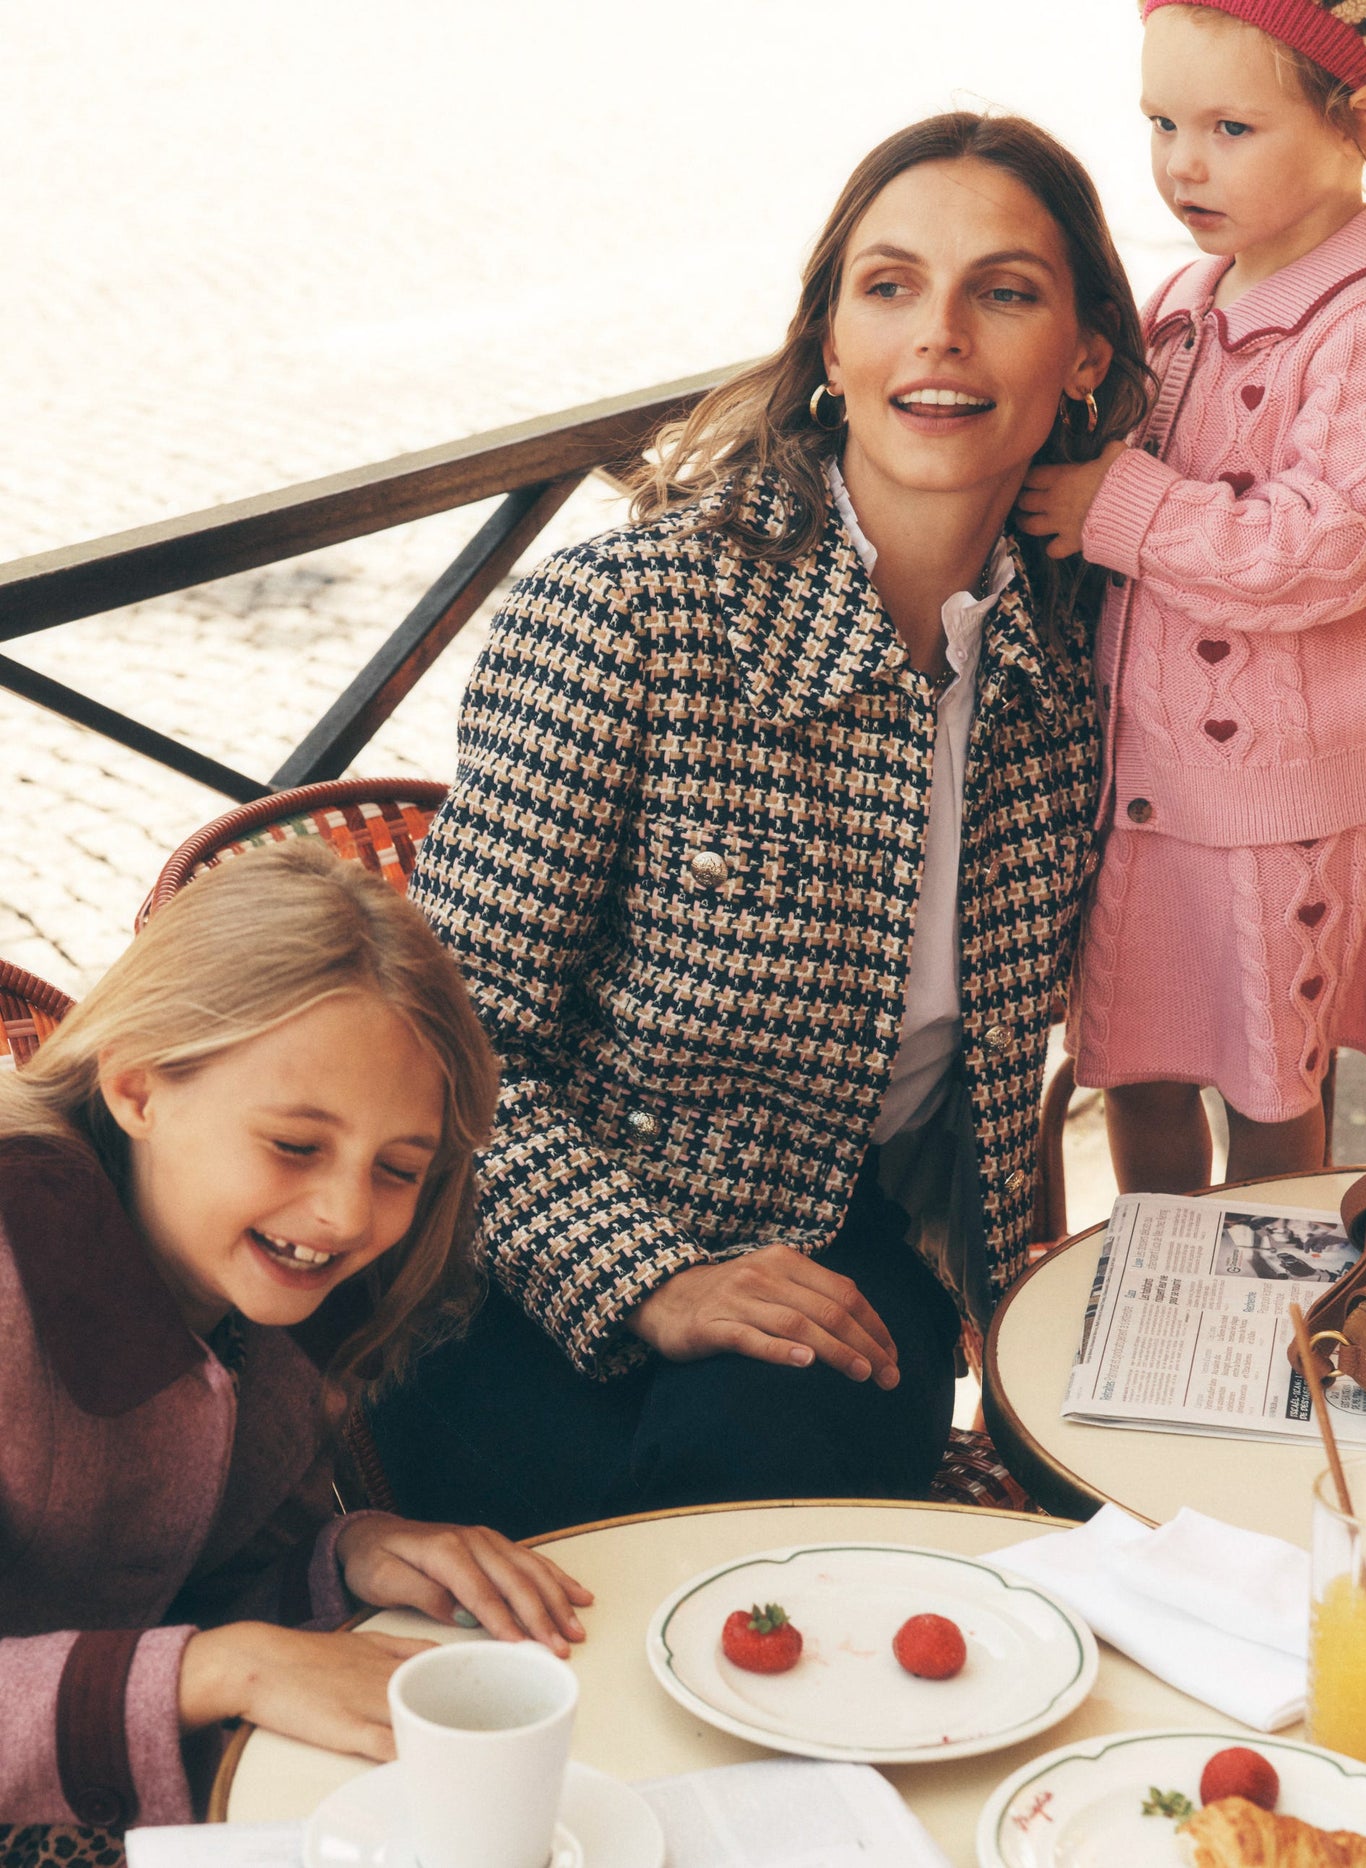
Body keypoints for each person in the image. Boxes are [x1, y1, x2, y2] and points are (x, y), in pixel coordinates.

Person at [369, 111, 1151, 1538]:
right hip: (525, 1246)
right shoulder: (625, 616)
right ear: (832, 343)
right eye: (891, 286)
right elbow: (434, 1053)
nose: (944, 337)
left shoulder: (1075, 678)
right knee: (627, 1531)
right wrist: (650, 1276)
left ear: (1084, 357)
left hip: (836, 1274)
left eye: (1008, 291)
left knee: (790, 1478)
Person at [0, 843, 592, 1835]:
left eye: (399, 1167)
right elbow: (196, 1655)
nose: (344, 1214)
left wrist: (343, 1556)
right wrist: (221, 1665)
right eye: (295, 1145)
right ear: (138, 1086)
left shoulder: (286, 1305)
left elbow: (175, 1588)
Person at [1018, 0, 1366, 1193]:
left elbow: (1330, 546)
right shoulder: (1187, 298)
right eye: (1159, 122)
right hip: (1146, 785)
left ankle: (1260, 1303)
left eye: (1227, 126)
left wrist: (1119, 506)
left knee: (1271, 1080)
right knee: (1136, 1066)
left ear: (1356, 118)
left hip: (1278, 806)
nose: (1179, 163)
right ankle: (1156, 1288)